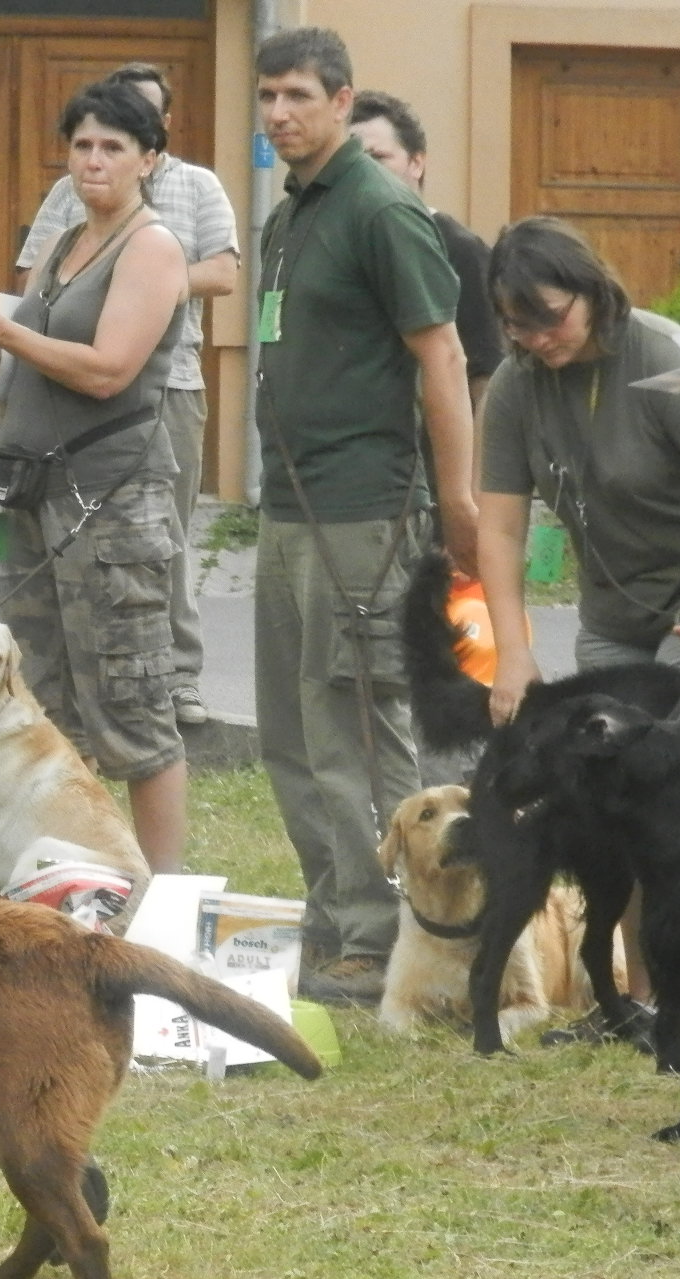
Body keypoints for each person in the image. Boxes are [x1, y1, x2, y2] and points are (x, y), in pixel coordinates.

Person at [251, 27, 477, 1007]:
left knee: (349, 720)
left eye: (297, 94)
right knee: (289, 730)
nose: (277, 113)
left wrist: (457, 501)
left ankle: (377, 930)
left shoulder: (381, 210)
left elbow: (442, 357)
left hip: (364, 507)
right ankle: (332, 916)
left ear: (342, 101)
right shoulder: (290, 212)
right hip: (286, 503)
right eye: (265, 97)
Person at [0, 79, 191, 873]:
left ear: (150, 159)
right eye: (82, 145)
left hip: (110, 504)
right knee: (43, 704)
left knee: (133, 709)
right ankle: (65, 876)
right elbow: (27, 365)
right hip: (36, 497)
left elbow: (107, 370)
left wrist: (1, 325)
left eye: (113, 147)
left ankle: (161, 895)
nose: (93, 161)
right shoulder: (70, 239)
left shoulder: (153, 245)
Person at [15, 61, 238, 728]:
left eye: (120, 135)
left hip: (166, 387)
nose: (97, 154)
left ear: (157, 136)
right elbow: (35, 277)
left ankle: (177, 677)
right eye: (85, 140)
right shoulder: (66, 201)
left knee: (157, 539)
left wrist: (137, 287)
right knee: (70, 558)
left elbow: (224, 272)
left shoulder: (195, 189)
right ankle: (76, 699)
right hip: (66, 392)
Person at [477, 217, 680, 717]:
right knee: (606, 772)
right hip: (611, 623)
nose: (536, 339)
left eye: (551, 317)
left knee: (672, 757)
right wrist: (513, 653)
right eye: (517, 324)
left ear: (593, 291)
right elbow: (500, 530)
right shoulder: (514, 386)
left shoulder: (668, 360)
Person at [348, 89, 505, 454]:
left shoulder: (460, 249)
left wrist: (475, 482)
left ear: (416, 163)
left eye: (379, 157)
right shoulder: (345, 244)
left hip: (436, 467)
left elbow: (486, 375)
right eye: (354, 162)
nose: (365, 172)